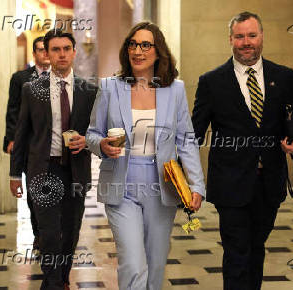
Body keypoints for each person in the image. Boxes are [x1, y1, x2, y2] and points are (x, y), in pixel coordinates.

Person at [191, 12, 293, 290]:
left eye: (252, 35)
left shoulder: (284, 77)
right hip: (230, 184)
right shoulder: (212, 81)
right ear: (230, 39)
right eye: (240, 36)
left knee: (256, 249)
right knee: (237, 252)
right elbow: (194, 133)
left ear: (262, 37)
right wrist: (182, 173)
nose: (247, 42)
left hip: (269, 183)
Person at [86, 21, 205, 290]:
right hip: (121, 183)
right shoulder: (109, 87)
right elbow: (92, 133)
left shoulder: (174, 90)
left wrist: (196, 185)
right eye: (133, 44)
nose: (137, 51)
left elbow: (186, 140)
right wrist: (101, 145)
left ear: (158, 51)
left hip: (163, 185)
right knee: (133, 262)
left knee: (156, 263)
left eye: (145, 45)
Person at [10, 29, 97, 290]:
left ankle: (62, 278)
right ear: (46, 54)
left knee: (70, 232)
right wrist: (15, 174)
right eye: (55, 49)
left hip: (76, 170)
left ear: (74, 51)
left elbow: (97, 130)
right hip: (43, 170)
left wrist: (89, 140)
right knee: (48, 234)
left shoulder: (88, 90)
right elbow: (22, 133)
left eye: (66, 49)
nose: (61, 54)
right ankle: (52, 283)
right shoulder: (32, 90)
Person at [3, 36, 50, 250]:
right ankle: (38, 233)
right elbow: (13, 110)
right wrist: (11, 139)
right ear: (34, 54)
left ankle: (52, 233)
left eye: (47, 50)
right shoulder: (20, 79)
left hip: (54, 145)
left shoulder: (61, 78)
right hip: (29, 144)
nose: (45, 54)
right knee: (33, 192)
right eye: (40, 50)